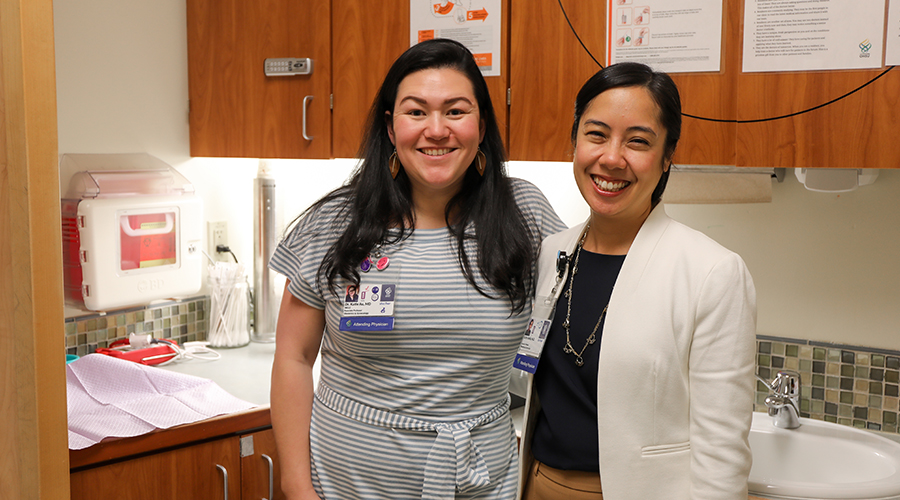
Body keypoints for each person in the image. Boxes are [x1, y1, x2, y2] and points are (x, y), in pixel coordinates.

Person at [269, 38, 566, 500]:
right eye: (416, 111)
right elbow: (293, 357)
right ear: (390, 128)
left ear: (481, 125)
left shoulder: (523, 214)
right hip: (345, 485)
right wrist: (296, 485)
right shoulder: (335, 223)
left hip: (481, 482)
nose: (436, 129)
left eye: (455, 111)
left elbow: (576, 324)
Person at [517, 62, 756, 500]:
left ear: (667, 157)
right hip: (537, 485)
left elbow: (722, 451)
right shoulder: (553, 252)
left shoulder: (711, 272)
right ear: (575, 141)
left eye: (638, 142)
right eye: (596, 134)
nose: (611, 157)